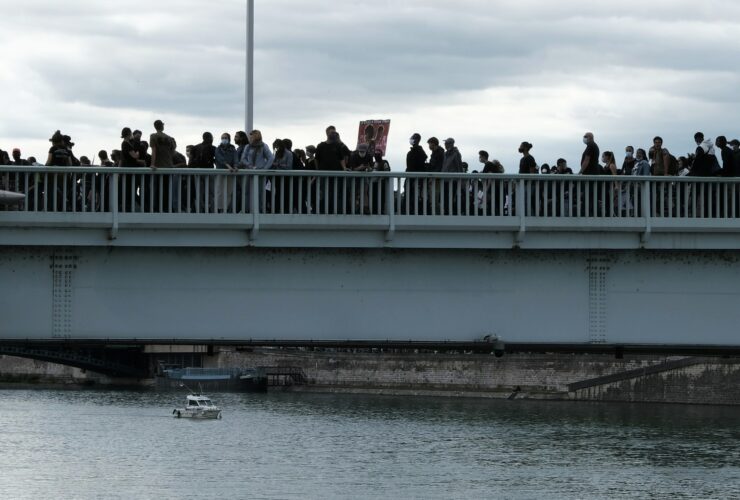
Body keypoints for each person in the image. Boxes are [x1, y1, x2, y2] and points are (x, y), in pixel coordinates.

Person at [214, 132, 239, 212]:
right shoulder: (218, 149)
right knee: (220, 190)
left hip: (230, 172)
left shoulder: (232, 149)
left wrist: (235, 166)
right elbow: (220, 159)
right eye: (222, 138)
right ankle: (219, 208)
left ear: (229, 139)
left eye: (225, 138)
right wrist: (228, 166)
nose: (224, 139)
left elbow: (236, 158)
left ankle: (227, 207)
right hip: (221, 171)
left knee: (229, 191)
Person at [405, 133, 428, 214]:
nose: (411, 140)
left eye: (413, 138)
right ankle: (409, 210)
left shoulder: (418, 152)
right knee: (410, 194)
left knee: (414, 195)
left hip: (415, 178)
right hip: (411, 177)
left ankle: (412, 210)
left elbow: (417, 165)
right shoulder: (416, 151)